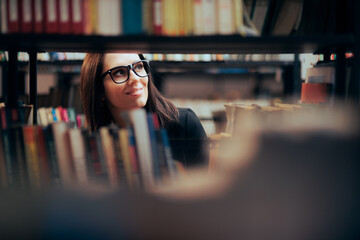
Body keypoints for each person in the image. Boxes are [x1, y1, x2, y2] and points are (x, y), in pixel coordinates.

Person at [79, 53, 208, 167]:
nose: (135, 78)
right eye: (119, 72)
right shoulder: (91, 142)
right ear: (99, 90)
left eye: (138, 67)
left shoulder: (185, 124)